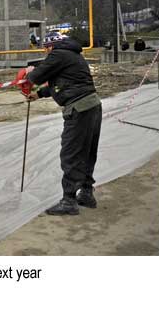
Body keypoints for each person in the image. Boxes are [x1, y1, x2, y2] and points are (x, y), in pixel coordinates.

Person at [22, 38, 102, 216]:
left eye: (46, 48)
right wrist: (39, 94)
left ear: (51, 46)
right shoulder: (72, 55)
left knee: (71, 153)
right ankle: (87, 193)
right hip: (92, 106)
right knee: (87, 151)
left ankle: (69, 200)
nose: (45, 52)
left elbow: (35, 77)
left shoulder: (58, 54)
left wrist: (28, 73)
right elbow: (63, 82)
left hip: (79, 109)